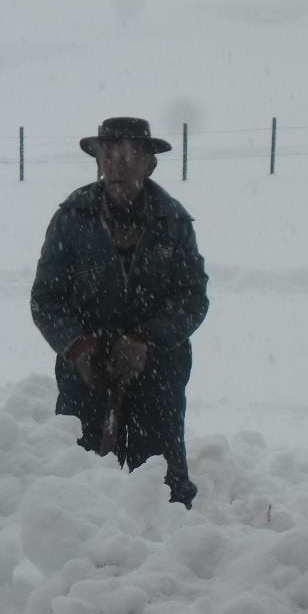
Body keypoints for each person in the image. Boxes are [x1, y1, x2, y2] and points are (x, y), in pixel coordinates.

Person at [31, 117, 209, 508]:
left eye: (130, 154)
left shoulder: (174, 222)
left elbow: (192, 298)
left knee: (161, 484)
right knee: (79, 479)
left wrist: (148, 339)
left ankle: (167, 540)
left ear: (150, 163)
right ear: (97, 162)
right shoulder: (71, 218)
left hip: (159, 369)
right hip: (86, 370)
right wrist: (77, 346)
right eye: (108, 154)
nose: (117, 164)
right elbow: (47, 298)